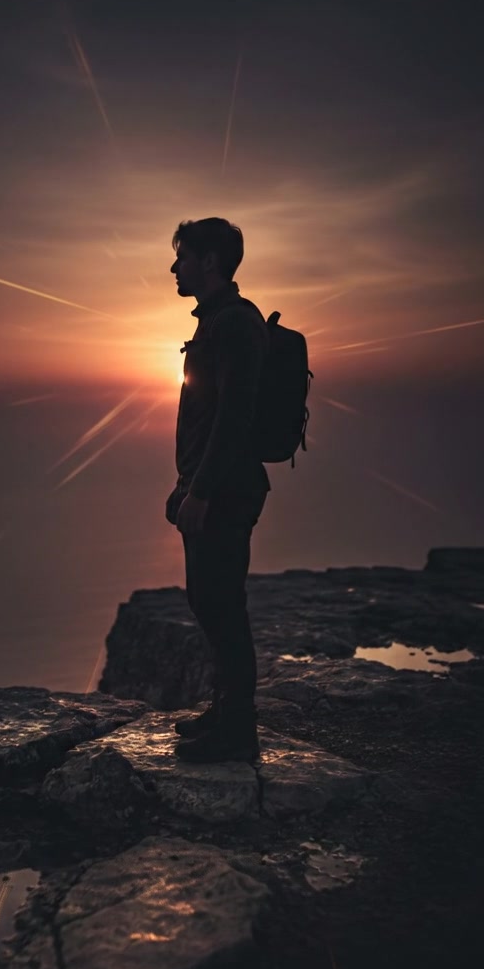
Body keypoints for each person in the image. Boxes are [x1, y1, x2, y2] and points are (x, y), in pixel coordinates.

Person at [166, 217, 269, 763]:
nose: (174, 267)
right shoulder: (218, 321)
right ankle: (224, 711)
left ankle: (237, 731)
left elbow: (234, 419)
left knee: (222, 605)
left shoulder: (233, 324)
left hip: (226, 491)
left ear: (209, 261)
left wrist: (201, 491)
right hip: (211, 486)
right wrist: (186, 486)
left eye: (183, 256)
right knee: (208, 602)